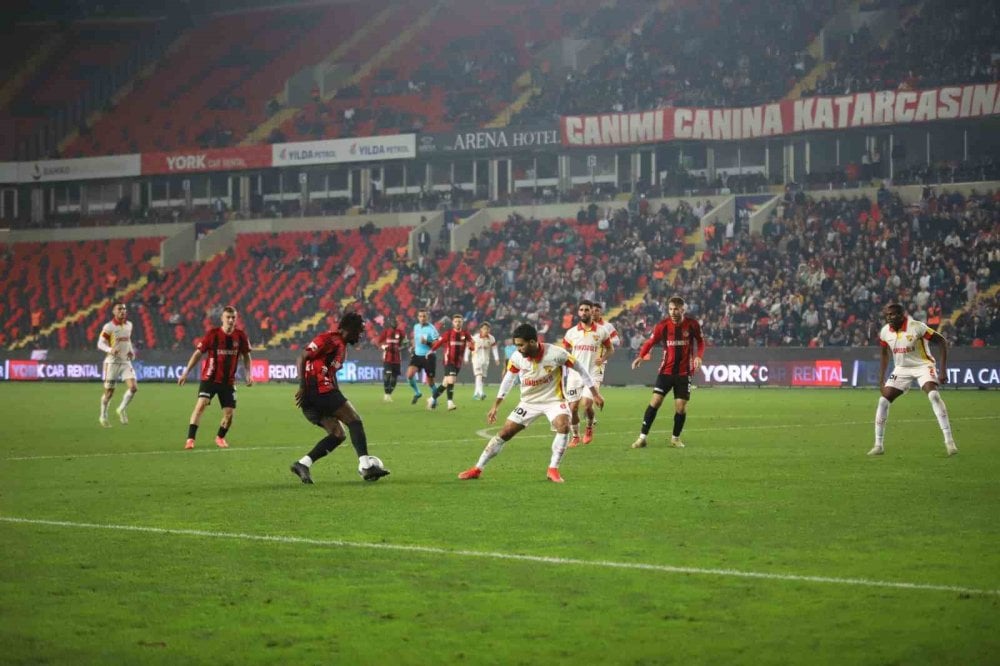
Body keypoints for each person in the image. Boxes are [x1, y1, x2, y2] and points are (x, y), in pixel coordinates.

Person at [458, 323, 604, 483]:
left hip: (554, 401)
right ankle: (477, 468)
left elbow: (580, 369)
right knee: (505, 433)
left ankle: (553, 469)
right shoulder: (516, 357)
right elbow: (508, 380)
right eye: (516, 345)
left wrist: (595, 394)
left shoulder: (556, 354)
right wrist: (495, 406)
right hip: (528, 403)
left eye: (521, 345)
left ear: (533, 342)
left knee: (563, 424)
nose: (518, 349)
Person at [289, 312, 389, 484]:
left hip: (321, 393)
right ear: (349, 329)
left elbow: (331, 372)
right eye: (359, 331)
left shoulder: (342, 348)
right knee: (354, 420)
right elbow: (303, 356)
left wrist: (337, 393)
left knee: (338, 434)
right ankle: (366, 466)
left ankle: (302, 464)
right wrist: (303, 387)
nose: (361, 335)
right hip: (317, 390)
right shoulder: (328, 339)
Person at [870, 303, 957, 457]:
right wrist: (881, 378)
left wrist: (943, 371)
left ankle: (949, 442)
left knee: (934, 395)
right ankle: (878, 445)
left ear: (902, 315)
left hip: (923, 365)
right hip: (901, 369)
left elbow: (941, 341)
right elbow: (884, 353)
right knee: (883, 401)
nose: (890, 317)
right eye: (887, 315)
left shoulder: (916, 327)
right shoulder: (885, 332)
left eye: (893, 314)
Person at [630, 296, 705, 449]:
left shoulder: (692, 324)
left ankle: (675, 438)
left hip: (684, 373)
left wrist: (698, 356)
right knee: (655, 402)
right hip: (666, 371)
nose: (673, 312)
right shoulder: (663, 325)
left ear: (682, 309)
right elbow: (650, 342)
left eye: (676, 309)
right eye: (670, 309)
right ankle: (642, 437)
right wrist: (640, 356)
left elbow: (701, 341)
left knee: (680, 407)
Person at [177, 306, 253, 449]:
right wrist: (186, 372)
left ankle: (220, 437)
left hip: (228, 381)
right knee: (200, 405)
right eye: (228, 317)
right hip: (210, 378)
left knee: (229, 415)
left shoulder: (241, 336)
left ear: (236, 319)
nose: (230, 320)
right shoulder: (212, 334)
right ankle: (190, 439)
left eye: (233, 318)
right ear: (222, 319)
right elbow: (198, 353)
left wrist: (249, 373)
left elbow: (246, 355)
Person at [561, 300, 612, 447]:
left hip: (593, 373)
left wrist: (602, 359)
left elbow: (610, 349)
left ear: (591, 312)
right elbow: (565, 350)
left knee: (588, 404)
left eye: (587, 310)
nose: (584, 312)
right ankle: (575, 435)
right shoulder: (571, 332)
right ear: (578, 312)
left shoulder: (601, 331)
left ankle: (589, 427)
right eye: (581, 310)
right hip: (575, 374)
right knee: (573, 408)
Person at [97, 302, 138, 427]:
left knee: (133, 388)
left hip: (125, 361)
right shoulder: (108, 327)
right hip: (112, 362)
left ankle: (121, 409)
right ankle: (103, 415)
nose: (122, 311)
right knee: (109, 393)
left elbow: (128, 339)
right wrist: (110, 350)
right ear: (114, 312)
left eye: (124, 309)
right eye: (119, 309)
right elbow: (100, 343)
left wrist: (131, 351)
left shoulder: (129, 325)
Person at [429, 314, 473, 410]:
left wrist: (471, 346)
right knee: (452, 380)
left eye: (459, 321)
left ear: (462, 322)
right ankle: (450, 403)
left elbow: (472, 345)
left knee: (445, 383)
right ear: (453, 323)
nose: (458, 323)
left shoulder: (466, 334)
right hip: (449, 360)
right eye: (456, 321)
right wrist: (430, 351)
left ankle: (432, 398)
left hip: (458, 363)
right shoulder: (448, 333)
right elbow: (439, 343)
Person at [406, 309, 440, 405]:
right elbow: (416, 339)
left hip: (428, 356)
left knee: (430, 382)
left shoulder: (432, 329)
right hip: (417, 355)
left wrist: (427, 342)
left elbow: (437, 343)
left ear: (427, 317)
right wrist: (412, 346)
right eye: (420, 316)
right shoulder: (416, 327)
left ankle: (434, 399)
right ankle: (418, 392)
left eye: (424, 316)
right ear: (418, 317)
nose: (422, 318)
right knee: (409, 375)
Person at [375, 314, 406, 402]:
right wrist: (384, 347)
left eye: (396, 322)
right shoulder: (386, 332)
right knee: (387, 376)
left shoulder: (401, 332)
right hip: (387, 358)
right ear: (390, 323)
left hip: (397, 359)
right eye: (393, 322)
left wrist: (401, 347)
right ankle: (386, 394)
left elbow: (405, 343)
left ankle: (389, 394)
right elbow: (379, 342)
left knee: (394, 379)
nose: (394, 324)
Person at [470, 321, 500, 400]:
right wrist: (468, 356)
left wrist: (497, 358)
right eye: (484, 329)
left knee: (481, 377)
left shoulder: (491, 338)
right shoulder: (475, 337)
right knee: (479, 375)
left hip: (486, 360)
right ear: (481, 329)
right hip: (476, 359)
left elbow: (494, 348)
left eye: (487, 329)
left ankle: (476, 394)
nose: (486, 330)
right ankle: (481, 393)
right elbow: (469, 346)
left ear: (489, 330)